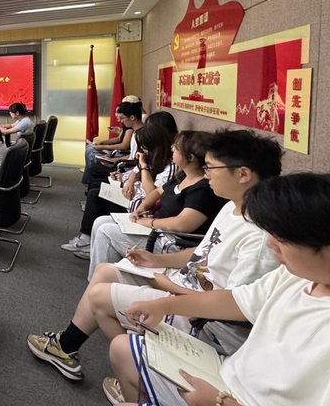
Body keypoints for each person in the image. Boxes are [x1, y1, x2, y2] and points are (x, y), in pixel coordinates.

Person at [27, 129, 282, 385]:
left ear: (243, 174)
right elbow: (200, 254)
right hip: (183, 285)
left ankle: (138, 376)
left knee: (99, 297)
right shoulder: (231, 207)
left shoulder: (259, 236)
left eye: (212, 168)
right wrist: (156, 261)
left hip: (203, 319)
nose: (207, 174)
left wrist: (169, 286)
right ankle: (76, 349)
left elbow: (233, 308)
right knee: (104, 271)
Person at [112, 173, 330, 406]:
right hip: (228, 376)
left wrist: (219, 402)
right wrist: (164, 305)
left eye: (282, 237)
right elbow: (236, 300)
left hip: (233, 397)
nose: (270, 243)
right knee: (122, 349)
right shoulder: (295, 276)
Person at [85, 130, 225, 278]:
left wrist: (148, 222)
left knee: (106, 231)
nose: (172, 149)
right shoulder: (183, 175)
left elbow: (182, 224)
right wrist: (142, 207)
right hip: (156, 227)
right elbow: (158, 191)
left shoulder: (203, 189)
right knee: (100, 221)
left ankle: (100, 279)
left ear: (190, 157)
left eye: (176, 147)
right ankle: (101, 277)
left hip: (171, 240)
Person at [62, 124, 176, 259]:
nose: (142, 149)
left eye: (144, 146)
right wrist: (130, 182)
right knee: (97, 190)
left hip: (138, 207)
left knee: (95, 196)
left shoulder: (169, 167)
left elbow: (151, 192)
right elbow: (134, 172)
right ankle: (86, 239)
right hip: (132, 197)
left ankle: (86, 241)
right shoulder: (150, 157)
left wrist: (144, 166)